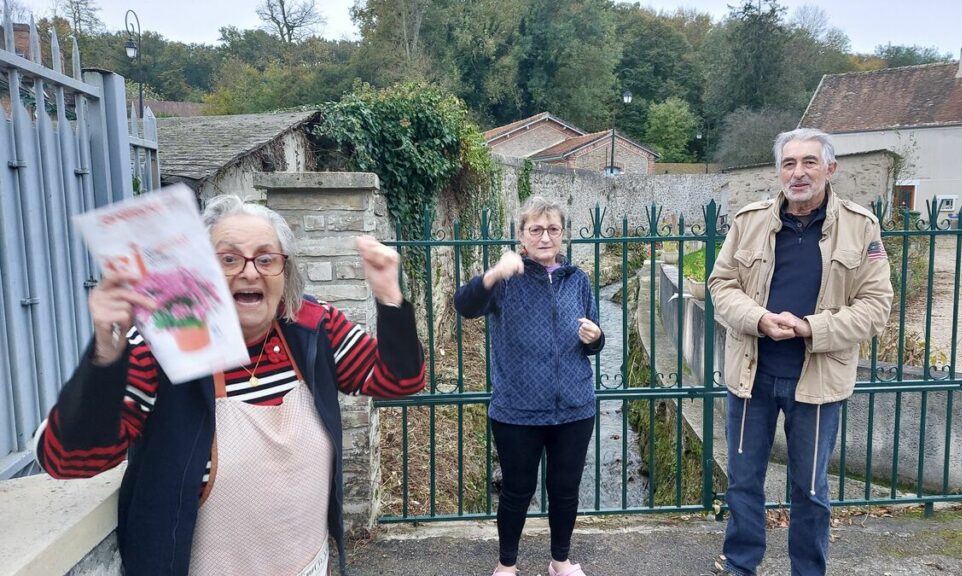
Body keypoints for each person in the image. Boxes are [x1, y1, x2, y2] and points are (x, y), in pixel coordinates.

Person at [34, 195, 425, 575]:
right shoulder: (160, 348)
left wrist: (390, 296)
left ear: (285, 272)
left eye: (266, 259)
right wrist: (105, 355)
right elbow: (68, 460)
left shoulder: (312, 324)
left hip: (308, 563)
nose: (250, 272)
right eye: (229, 259)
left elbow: (399, 381)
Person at [707, 128, 893, 575]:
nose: (798, 172)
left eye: (809, 162)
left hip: (818, 381)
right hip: (751, 375)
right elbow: (721, 285)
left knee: (809, 489)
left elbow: (875, 307)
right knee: (743, 483)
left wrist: (812, 328)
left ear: (831, 168)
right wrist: (757, 319)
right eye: (789, 163)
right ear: (778, 172)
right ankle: (740, 566)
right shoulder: (749, 220)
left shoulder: (861, 226)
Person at [454, 196, 604, 576]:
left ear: (563, 235)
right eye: (535, 229)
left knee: (565, 491)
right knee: (517, 492)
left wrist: (595, 337)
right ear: (521, 235)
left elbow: (595, 342)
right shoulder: (506, 281)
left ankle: (560, 562)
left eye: (552, 229)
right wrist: (492, 274)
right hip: (517, 410)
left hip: (574, 406)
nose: (544, 237)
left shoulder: (579, 280)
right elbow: (464, 305)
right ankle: (507, 565)